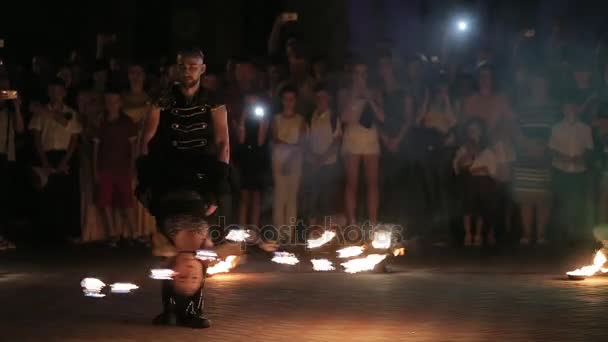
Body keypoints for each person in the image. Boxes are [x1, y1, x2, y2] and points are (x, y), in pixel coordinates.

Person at [139, 47, 230, 328]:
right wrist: (145, 180)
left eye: (193, 66)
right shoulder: (162, 98)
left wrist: (218, 186)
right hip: (167, 174)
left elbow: (223, 143)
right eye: (183, 66)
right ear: (177, 69)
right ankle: (168, 308)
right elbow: (146, 138)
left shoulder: (213, 100)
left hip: (200, 176)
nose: (188, 70)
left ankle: (193, 310)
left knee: (196, 243)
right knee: (170, 243)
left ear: (202, 69)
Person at [29, 78, 82, 242]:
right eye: (52, 91)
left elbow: (74, 138)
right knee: (47, 195)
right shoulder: (40, 112)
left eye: (58, 91)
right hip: (46, 154)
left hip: (65, 155)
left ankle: (69, 232)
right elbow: (36, 137)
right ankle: (47, 233)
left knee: (67, 194)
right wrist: (44, 161)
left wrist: (66, 160)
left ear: (64, 93)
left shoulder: (71, 113)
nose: (55, 95)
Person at [512, 71, 558, 245]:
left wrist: (544, 146)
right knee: (526, 197)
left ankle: (541, 235)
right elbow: (515, 129)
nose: (539, 87)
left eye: (542, 84)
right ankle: (526, 234)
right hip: (525, 157)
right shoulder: (522, 106)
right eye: (536, 84)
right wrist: (527, 144)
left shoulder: (553, 107)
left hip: (545, 157)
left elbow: (557, 131)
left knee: (543, 197)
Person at [338, 59, 384, 225]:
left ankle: (372, 223)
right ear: (352, 75)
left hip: (370, 138)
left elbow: (382, 117)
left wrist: (369, 98)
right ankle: (352, 223)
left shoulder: (375, 92)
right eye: (357, 73)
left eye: (363, 73)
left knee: (372, 183)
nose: (360, 76)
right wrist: (353, 97)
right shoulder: (345, 93)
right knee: (351, 183)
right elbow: (343, 118)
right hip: (352, 138)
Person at [93, 88, 138, 246]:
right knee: (106, 201)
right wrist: (95, 169)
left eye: (114, 101)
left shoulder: (127, 122)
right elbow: (96, 148)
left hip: (123, 168)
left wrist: (133, 168)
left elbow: (133, 148)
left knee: (126, 202)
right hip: (105, 167)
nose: (111, 105)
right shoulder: (101, 122)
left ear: (120, 103)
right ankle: (113, 233)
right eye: (108, 102)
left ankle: (133, 233)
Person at [549, 96, 594, 244]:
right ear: (563, 110)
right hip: (561, 170)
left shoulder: (585, 128)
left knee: (577, 201)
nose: (570, 110)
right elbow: (552, 149)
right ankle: (563, 233)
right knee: (562, 202)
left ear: (577, 109)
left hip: (579, 171)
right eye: (567, 107)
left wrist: (580, 158)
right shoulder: (556, 128)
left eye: (573, 107)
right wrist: (564, 158)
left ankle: (575, 233)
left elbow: (589, 148)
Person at [122, 61, 156, 243]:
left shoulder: (150, 98)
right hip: (125, 145)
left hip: (145, 145)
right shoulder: (123, 98)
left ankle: (148, 229)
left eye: (139, 72)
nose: (135, 76)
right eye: (132, 72)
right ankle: (132, 230)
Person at [453, 118, 498, 247]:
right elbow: (458, 166)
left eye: (476, 129)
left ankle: (478, 234)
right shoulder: (464, 148)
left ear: (481, 131)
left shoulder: (488, 149)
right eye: (470, 130)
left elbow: (492, 168)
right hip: (469, 181)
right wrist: (467, 159)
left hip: (484, 182)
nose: (473, 132)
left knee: (480, 209)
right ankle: (468, 234)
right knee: (468, 209)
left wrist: (482, 169)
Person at [272, 86, 306, 244]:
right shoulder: (276, 118)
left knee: (292, 198)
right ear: (282, 100)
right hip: (279, 161)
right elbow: (275, 139)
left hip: (295, 161)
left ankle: (289, 234)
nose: (288, 102)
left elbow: (301, 142)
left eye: (291, 99)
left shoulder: (300, 120)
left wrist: (291, 155)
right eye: (286, 99)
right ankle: (279, 234)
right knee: (280, 197)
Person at [307, 83, 342, 225]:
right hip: (313, 164)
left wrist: (322, 158)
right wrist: (314, 157)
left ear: (329, 99)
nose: (321, 99)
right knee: (313, 198)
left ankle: (327, 232)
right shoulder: (311, 116)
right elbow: (306, 140)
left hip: (329, 164)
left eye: (323, 97)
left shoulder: (334, 117)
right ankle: (312, 230)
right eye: (318, 97)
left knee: (327, 199)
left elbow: (337, 141)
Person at [236, 93, 270, 229]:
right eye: (249, 104)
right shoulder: (243, 118)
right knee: (244, 196)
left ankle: (254, 228)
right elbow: (241, 139)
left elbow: (261, 140)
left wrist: (262, 121)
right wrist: (243, 119)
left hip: (258, 157)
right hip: (246, 157)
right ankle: (242, 228)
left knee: (256, 195)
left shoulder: (264, 120)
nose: (252, 107)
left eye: (254, 104)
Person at [0, 77, 24, 250]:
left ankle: (3, 235)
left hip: (6, 156)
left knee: (4, 198)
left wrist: (16, 107)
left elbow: (20, 128)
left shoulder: (9, 111)